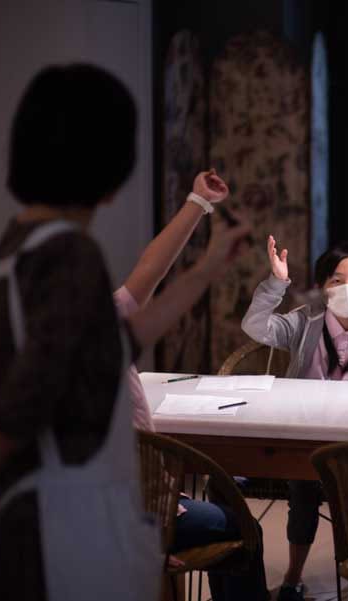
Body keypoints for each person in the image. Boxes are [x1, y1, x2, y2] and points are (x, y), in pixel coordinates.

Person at [0, 64, 234, 601]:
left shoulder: (9, 250)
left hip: (29, 506)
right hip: (78, 517)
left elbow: (105, 336)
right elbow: (74, 360)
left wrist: (204, 265)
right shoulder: (73, 253)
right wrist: (7, 437)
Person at [115, 168, 267, 601]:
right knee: (246, 529)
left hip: (143, 507)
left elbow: (150, 270)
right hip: (140, 516)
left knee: (223, 499)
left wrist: (198, 202)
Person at [241, 238, 348, 601]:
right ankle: (293, 577)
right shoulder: (304, 322)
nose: (347, 288)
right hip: (304, 437)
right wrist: (276, 284)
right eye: (336, 280)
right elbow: (255, 326)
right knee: (303, 496)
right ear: (322, 288)